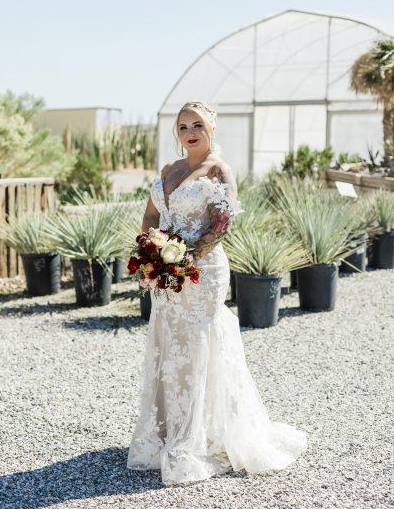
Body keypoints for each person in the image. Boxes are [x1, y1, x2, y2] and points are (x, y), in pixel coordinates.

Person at [127, 100, 307, 485]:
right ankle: (165, 432)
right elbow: (150, 215)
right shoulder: (169, 169)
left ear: (211, 128)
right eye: (183, 127)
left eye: (198, 125)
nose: (190, 132)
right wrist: (150, 250)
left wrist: (185, 256)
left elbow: (222, 225)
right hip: (165, 274)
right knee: (166, 342)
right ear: (177, 134)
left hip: (202, 272)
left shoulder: (219, 170)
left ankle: (200, 436)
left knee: (198, 342)